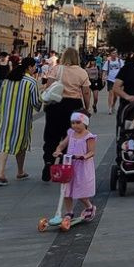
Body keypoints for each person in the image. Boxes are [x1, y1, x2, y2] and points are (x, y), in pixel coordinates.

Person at [40, 48, 91, 182]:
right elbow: (86, 92)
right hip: (73, 106)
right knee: (69, 136)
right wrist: (87, 107)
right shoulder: (81, 72)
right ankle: (63, 164)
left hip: (56, 106)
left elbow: (49, 86)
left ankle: (49, 163)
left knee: (51, 136)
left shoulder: (56, 69)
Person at [0, 57, 43, 186]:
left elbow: (0, 99)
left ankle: (1, 172)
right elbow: (36, 103)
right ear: (30, 67)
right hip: (22, 119)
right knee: (21, 144)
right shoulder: (31, 82)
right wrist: (44, 96)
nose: (35, 69)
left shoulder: (8, 80)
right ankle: (20, 171)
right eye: (34, 67)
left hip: (5, 118)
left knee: (4, 144)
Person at [50, 112, 97, 224]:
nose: (75, 125)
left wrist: (85, 156)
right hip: (69, 165)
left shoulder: (89, 136)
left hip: (82, 167)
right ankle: (69, 212)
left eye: (78, 123)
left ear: (85, 123)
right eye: (73, 123)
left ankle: (90, 207)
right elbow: (62, 144)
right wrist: (58, 150)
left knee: (80, 192)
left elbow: (92, 151)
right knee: (66, 190)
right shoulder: (71, 134)